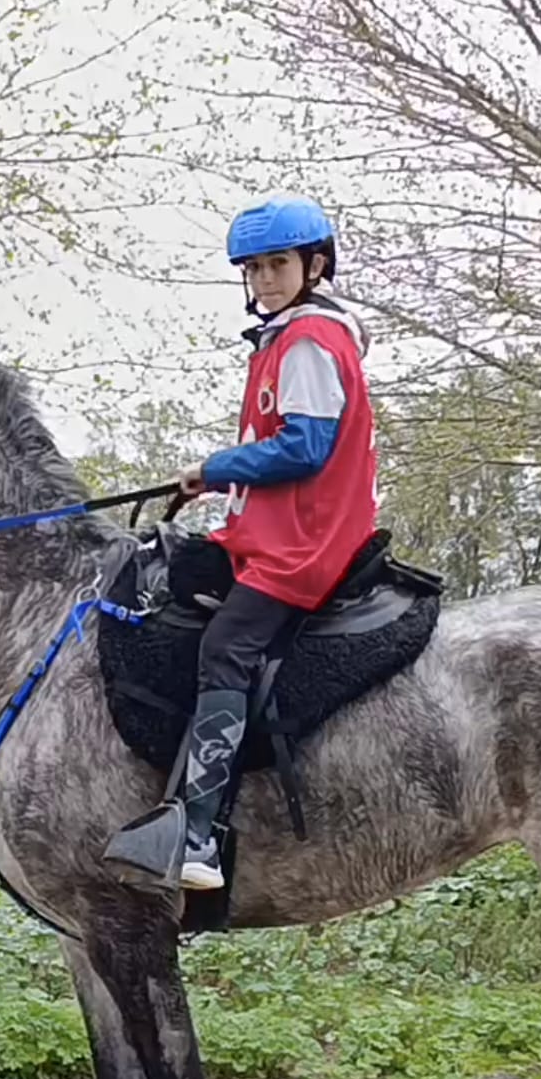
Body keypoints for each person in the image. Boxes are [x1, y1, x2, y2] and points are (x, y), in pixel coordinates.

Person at [174, 193, 378, 890]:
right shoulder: (289, 336)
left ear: (314, 265)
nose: (263, 280)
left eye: (277, 265)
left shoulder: (311, 341)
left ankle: (198, 836)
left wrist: (213, 467)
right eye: (253, 268)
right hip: (276, 529)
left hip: (305, 541)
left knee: (225, 648)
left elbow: (305, 448)